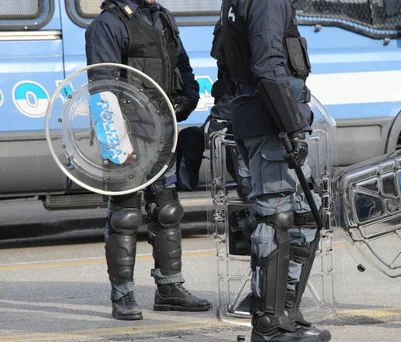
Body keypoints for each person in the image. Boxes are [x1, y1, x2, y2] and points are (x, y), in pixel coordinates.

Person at [85, 0, 211, 320]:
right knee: (125, 215)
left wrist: (188, 99)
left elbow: (181, 66)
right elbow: (102, 88)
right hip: (127, 134)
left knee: (167, 210)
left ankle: (169, 289)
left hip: (163, 132)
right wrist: (116, 143)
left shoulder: (161, 18)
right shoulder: (108, 24)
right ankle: (123, 295)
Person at [219, 0, 331, 341]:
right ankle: (269, 325)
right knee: (277, 217)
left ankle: (286, 312)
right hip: (272, 124)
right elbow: (268, 67)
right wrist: (293, 127)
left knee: (305, 217)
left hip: (272, 120)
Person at [176, 19, 252, 200]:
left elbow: (246, 81)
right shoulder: (233, 16)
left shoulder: (253, 16)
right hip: (236, 118)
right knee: (250, 188)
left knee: (256, 188)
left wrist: (218, 118)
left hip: (249, 117)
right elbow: (230, 79)